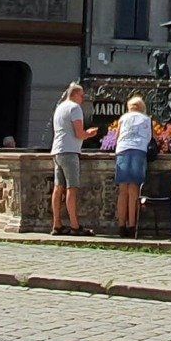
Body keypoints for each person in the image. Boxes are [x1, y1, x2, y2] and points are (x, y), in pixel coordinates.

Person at [50, 83, 99, 235]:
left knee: (58, 188)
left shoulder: (60, 107)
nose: (83, 98)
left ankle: (57, 224)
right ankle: (75, 225)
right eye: (82, 95)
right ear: (75, 94)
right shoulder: (75, 108)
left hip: (57, 150)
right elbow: (79, 134)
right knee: (72, 188)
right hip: (70, 151)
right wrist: (90, 133)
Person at [114, 95, 154, 238]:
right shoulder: (146, 119)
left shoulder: (123, 118)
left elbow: (117, 136)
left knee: (123, 189)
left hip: (123, 150)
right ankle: (132, 225)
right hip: (138, 150)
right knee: (134, 190)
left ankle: (121, 226)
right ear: (142, 107)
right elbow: (149, 138)